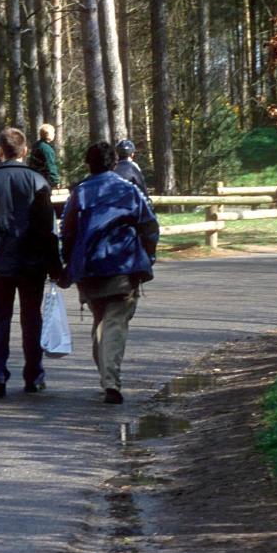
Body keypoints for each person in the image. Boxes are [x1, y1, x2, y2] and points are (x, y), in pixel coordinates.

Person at [0, 127, 62, 398]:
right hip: (31, 263)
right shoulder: (37, 181)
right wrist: (55, 266)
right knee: (32, 318)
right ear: (25, 151)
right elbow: (48, 227)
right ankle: (34, 374)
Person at [59, 142, 160, 404]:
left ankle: (107, 378)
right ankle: (111, 380)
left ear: (87, 164)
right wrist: (147, 257)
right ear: (114, 164)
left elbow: (67, 232)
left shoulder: (79, 193)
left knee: (101, 321)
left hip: (90, 268)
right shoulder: (130, 191)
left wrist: (68, 265)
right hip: (123, 265)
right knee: (114, 322)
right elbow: (150, 225)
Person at [28, 124, 61, 189]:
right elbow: (50, 165)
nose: (54, 134)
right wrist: (55, 180)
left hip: (34, 179)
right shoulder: (46, 149)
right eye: (53, 133)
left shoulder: (36, 145)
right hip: (44, 181)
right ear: (48, 134)